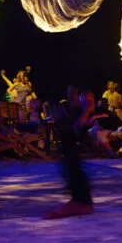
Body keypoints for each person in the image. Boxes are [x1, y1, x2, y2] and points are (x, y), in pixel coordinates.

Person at [45, 86, 95, 219]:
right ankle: (82, 201)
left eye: (74, 94)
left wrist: (87, 111)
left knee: (72, 161)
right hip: (73, 142)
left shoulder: (84, 110)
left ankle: (80, 201)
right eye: (69, 95)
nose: (71, 97)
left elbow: (79, 127)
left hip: (83, 139)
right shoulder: (73, 110)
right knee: (69, 160)